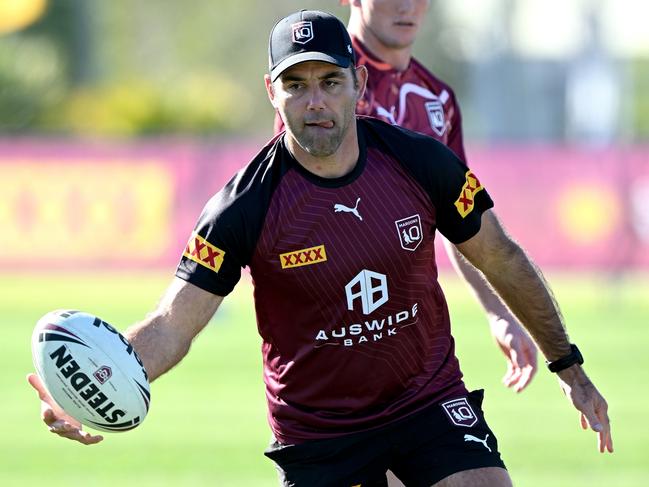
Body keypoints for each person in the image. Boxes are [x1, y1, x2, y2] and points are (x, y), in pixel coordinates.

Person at [29, 10, 612, 487]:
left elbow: (501, 256)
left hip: (426, 399)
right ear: (271, 93)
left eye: (330, 82)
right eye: (296, 84)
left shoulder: (420, 161)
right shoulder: (241, 208)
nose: (315, 103)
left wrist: (569, 364)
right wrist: (89, 386)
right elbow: (171, 326)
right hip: (321, 432)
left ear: (357, 82)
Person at [274, 0, 539, 394]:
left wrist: (498, 312)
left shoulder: (439, 100)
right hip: (334, 340)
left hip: (413, 339)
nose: (406, 6)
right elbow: (295, 204)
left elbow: (462, 224)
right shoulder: (316, 78)